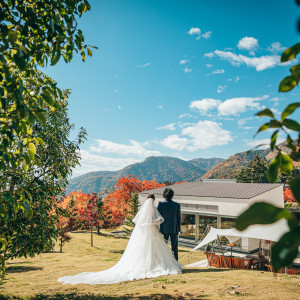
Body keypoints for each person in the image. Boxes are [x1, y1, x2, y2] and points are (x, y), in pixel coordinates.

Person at [58, 194, 182, 285]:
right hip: (153, 231)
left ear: (146, 200)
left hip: (146, 232)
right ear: (153, 200)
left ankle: (149, 264)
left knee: (143, 249)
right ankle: (156, 264)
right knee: (157, 249)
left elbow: (140, 222)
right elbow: (158, 220)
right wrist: (156, 223)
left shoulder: (144, 210)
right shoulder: (155, 208)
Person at [157, 188, 181, 261]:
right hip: (174, 228)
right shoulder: (177, 205)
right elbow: (178, 218)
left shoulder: (161, 204)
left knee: (163, 247)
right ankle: (175, 262)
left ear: (164, 195)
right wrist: (178, 229)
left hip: (164, 228)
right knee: (174, 247)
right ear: (172, 195)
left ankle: (163, 262)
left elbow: (158, 217)